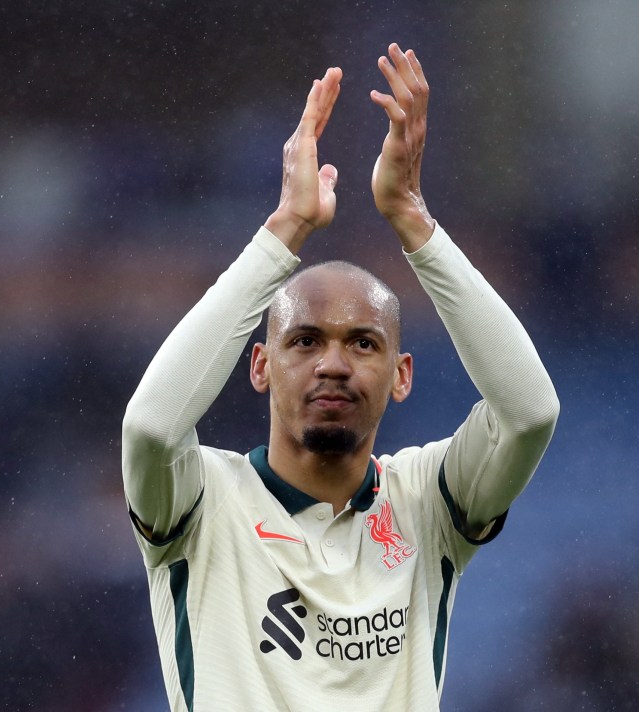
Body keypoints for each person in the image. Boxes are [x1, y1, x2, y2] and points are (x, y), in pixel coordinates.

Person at [122, 43, 559, 711]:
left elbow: (530, 413)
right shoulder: (201, 503)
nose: (333, 362)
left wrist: (412, 219)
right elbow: (151, 428)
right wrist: (283, 232)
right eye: (304, 341)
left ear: (401, 375)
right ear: (261, 367)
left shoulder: (427, 504)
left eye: (362, 342)